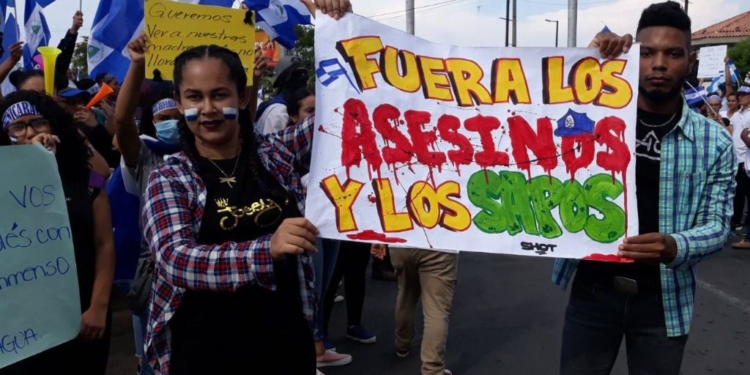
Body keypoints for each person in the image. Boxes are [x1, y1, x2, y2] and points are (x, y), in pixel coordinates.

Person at [552, 3, 735, 375]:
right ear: (634, 54)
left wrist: (675, 245)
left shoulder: (714, 142)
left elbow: (718, 224)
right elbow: (545, 122)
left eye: (673, 53)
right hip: (591, 292)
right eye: (647, 52)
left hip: (662, 303)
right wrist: (589, 61)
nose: (659, 64)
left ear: (691, 61)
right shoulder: (595, 116)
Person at [142, 44, 320, 374]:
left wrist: (334, 22)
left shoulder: (276, 153)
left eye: (220, 94)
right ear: (180, 104)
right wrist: (266, 249)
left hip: (286, 343)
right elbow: (174, 259)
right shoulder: (170, 177)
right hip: (205, 351)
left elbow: (346, 114)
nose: (208, 109)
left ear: (241, 97)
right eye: (194, 97)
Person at [0, 90, 115, 375]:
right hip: (21, 328)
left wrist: (98, 307)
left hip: (83, 317)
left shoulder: (85, 180)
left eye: (38, 122)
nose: (29, 132)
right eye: (17, 126)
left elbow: (104, 245)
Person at [372, 243, 458, 375]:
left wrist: (379, 239)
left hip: (402, 242)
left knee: (406, 293)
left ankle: (402, 343)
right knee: (436, 308)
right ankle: (432, 369)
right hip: (438, 245)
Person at [322, 241, 378, 351]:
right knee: (331, 278)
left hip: (359, 232)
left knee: (357, 275)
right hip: (335, 233)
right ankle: (320, 334)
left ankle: (354, 324)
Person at [730, 86, 750, 231]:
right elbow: (731, 132)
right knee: (737, 193)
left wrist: (744, 138)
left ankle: (747, 224)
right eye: (739, 95)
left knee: (747, 193)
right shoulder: (737, 114)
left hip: (746, 159)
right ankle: (736, 220)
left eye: (744, 95)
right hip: (735, 158)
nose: (740, 97)